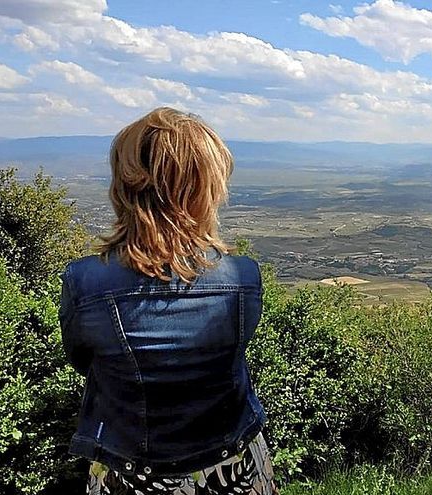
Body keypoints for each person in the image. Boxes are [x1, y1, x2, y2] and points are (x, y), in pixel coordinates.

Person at [59, 107, 276, 495]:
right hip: (233, 467)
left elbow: (83, 361)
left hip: (130, 474)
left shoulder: (85, 283)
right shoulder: (243, 278)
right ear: (206, 188)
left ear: (125, 186)